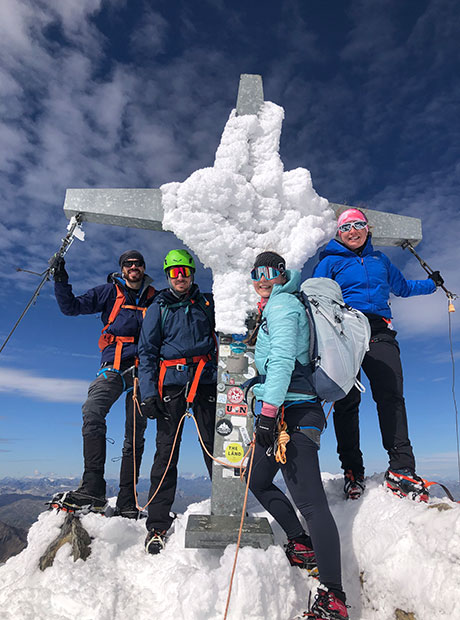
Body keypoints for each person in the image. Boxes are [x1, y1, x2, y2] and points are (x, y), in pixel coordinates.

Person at [313, 208, 442, 501]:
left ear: (367, 228)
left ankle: (401, 468)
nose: (353, 230)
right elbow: (316, 298)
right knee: (346, 400)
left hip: (379, 330)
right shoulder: (330, 262)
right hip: (344, 330)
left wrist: (431, 285)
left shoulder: (379, 260)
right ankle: (352, 471)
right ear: (338, 233)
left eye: (359, 224)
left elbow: (403, 287)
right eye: (346, 227)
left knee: (391, 395)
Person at [248, 251, 349, 620]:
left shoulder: (284, 305)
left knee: (311, 504)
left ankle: (334, 597)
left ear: (281, 273)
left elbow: (283, 361)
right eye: (256, 272)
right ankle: (301, 543)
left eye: (269, 271)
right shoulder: (274, 306)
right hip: (283, 410)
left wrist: (268, 413)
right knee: (256, 479)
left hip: (294, 413)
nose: (262, 277)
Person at [51, 250, 156, 515]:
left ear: (143, 268)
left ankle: (127, 501)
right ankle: (93, 486)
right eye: (128, 264)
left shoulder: (156, 298)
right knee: (92, 410)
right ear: (122, 269)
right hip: (113, 366)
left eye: (138, 263)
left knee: (135, 433)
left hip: (143, 370)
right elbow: (70, 307)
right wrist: (60, 279)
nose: (133, 267)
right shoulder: (109, 292)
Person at [138, 249, 217, 554]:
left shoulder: (207, 303)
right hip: (170, 386)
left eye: (184, 271)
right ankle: (157, 523)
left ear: (192, 273)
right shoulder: (159, 307)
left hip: (204, 381)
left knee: (215, 448)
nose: (180, 276)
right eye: (174, 272)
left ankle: (231, 508)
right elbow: (146, 353)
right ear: (168, 275)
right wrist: (148, 393)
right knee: (166, 453)